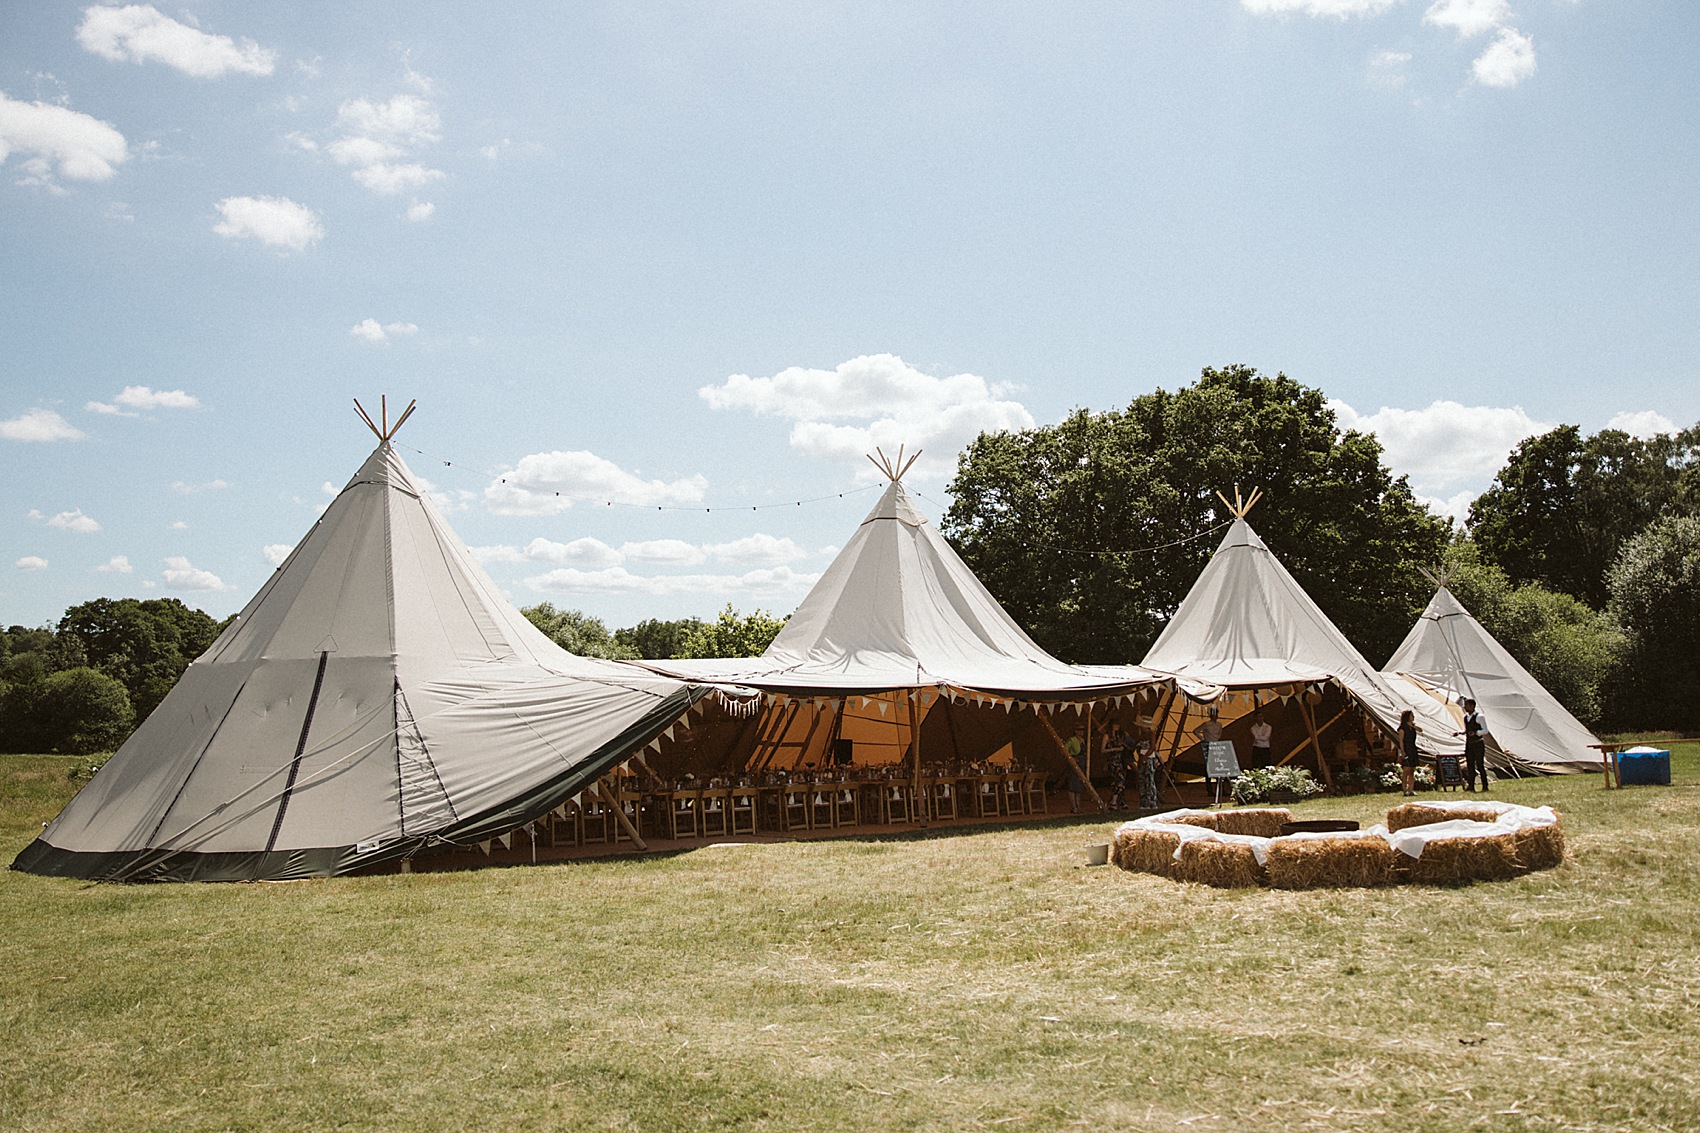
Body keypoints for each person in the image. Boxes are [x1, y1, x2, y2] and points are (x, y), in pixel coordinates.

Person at [1460, 698, 1489, 792]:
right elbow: (1467, 730)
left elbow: (1485, 730)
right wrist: (1460, 733)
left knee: (1480, 765)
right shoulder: (1465, 717)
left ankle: (1485, 785)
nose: (1465, 707)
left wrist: (1476, 733)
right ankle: (1471, 785)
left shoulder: (1479, 717)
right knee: (1470, 765)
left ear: (1472, 706)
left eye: (1466, 705)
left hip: (1478, 743)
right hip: (1469, 744)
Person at [1104, 722, 1129, 810]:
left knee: (1119, 781)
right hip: (1113, 761)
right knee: (1119, 779)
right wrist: (1114, 749)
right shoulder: (1107, 736)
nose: (1117, 726)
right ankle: (1114, 801)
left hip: (1119, 760)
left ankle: (1115, 801)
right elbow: (1102, 750)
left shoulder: (1118, 737)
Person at [1063, 725, 1087, 814]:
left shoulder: (1083, 741)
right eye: (1079, 730)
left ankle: (1078, 805)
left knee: (1079, 785)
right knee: (1072, 785)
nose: (1081, 732)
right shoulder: (1071, 740)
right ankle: (1074, 806)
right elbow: (1064, 749)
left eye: (1082, 730)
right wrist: (1071, 758)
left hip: (1082, 763)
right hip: (1075, 763)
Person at [1396, 708, 1420, 797]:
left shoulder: (1412, 727)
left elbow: (1421, 730)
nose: (1413, 717)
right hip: (1406, 748)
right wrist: (1402, 751)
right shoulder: (1402, 728)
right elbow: (1401, 741)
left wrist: (1413, 726)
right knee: (1406, 770)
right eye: (1411, 715)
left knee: (1412, 770)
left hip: (1413, 748)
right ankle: (1404, 789)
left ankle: (1411, 789)